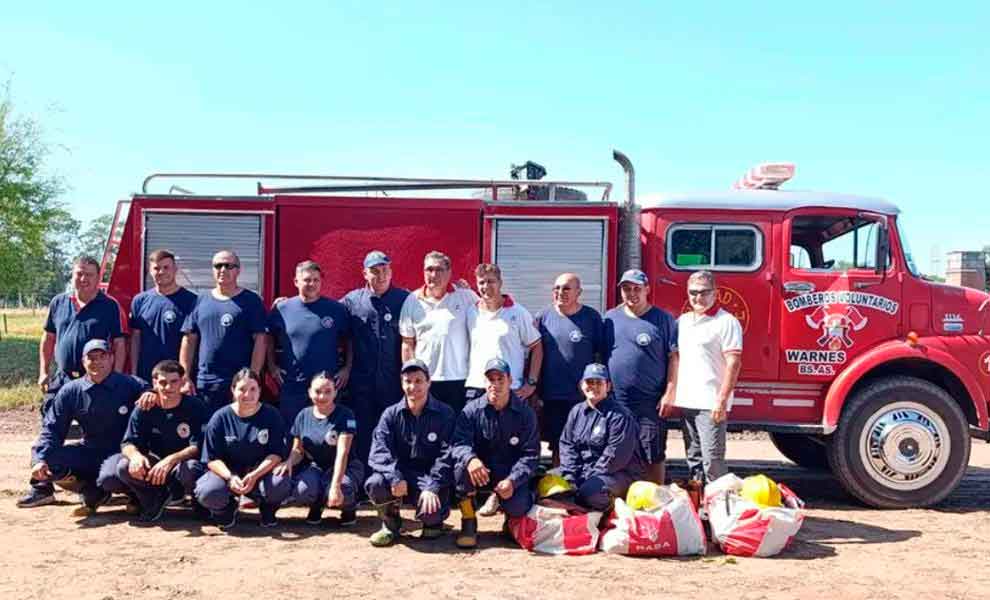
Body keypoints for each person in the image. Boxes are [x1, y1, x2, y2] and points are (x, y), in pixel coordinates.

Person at [20, 256, 129, 508]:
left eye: (89, 274)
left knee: (99, 434)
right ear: (73, 275)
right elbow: (48, 339)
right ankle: (42, 486)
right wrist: (43, 371)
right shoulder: (59, 302)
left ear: (98, 277)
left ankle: (95, 481)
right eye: (79, 273)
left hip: (97, 382)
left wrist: (117, 377)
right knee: (50, 430)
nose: (84, 278)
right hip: (63, 379)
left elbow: (120, 344)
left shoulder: (110, 306)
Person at [21, 340, 146, 513]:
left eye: (103, 356)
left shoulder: (131, 384)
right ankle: (92, 490)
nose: (97, 362)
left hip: (122, 452)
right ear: (83, 362)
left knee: (111, 475)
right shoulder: (71, 391)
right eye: (91, 358)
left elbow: (157, 394)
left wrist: (151, 395)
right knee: (50, 460)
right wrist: (39, 460)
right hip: (91, 450)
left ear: (112, 359)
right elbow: (52, 429)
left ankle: (136, 494)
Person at [98, 360, 209, 522]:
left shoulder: (195, 407)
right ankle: (153, 498)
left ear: (182, 382)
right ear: (154, 383)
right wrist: (136, 457)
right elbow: (128, 443)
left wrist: (171, 460)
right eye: (163, 383)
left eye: (174, 382)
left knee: (190, 469)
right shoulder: (144, 407)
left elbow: (198, 446)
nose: (169, 387)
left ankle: (197, 501)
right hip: (154, 465)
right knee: (123, 467)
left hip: (182, 464)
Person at [662, 270, 743, 485]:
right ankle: (700, 508)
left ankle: (719, 509)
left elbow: (734, 363)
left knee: (712, 462)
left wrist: (722, 400)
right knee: (694, 460)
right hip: (687, 401)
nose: (698, 298)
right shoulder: (683, 321)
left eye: (704, 292)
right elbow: (675, 359)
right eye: (693, 293)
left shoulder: (727, 322)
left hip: (711, 403)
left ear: (715, 293)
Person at [365, 359, 455, 547]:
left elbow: (448, 454)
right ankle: (390, 524)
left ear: (429, 382)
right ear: (401, 383)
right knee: (375, 483)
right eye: (408, 381)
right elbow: (379, 451)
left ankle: (434, 523)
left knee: (431, 515)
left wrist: (432, 486)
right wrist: (395, 476)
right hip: (400, 474)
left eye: (419, 381)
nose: (413, 386)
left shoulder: (445, 413)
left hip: (429, 476)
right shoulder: (390, 414)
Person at [450, 358, 539, 549]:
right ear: (484, 382)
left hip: (509, 474)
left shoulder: (525, 413)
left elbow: (530, 455)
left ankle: (510, 521)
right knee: (460, 467)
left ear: (510, 381)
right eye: (491, 380)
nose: (495, 385)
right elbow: (458, 443)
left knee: (519, 505)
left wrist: (513, 480)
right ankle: (468, 521)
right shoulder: (472, 410)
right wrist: (471, 459)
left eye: (501, 379)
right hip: (481, 472)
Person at [604, 269, 678, 485]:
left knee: (652, 453)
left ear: (647, 289)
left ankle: (655, 497)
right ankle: (624, 496)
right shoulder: (610, 318)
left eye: (637, 288)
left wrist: (670, 393)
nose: (631, 293)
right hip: (617, 400)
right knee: (618, 450)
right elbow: (601, 355)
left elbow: (674, 358)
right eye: (626, 289)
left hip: (651, 401)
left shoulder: (663, 319)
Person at [194, 369, 290, 530]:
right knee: (207, 491)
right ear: (233, 390)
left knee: (280, 483)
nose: (248, 394)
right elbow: (212, 458)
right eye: (242, 389)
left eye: (253, 389)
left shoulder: (272, 415)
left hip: (259, 472)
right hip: (228, 474)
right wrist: (230, 477)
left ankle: (268, 508)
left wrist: (254, 475)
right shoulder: (220, 417)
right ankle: (226, 508)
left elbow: (276, 454)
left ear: (260, 390)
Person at [342, 250, 410, 464]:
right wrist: (290, 303)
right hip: (362, 384)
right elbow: (324, 313)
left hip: (393, 384)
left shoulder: (405, 300)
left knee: (394, 432)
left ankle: (392, 480)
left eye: (385, 270)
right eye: (374, 271)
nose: (381, 276)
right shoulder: (352, 301)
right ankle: (364, 481)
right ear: (364, 274)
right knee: (363, 433)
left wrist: (459, 292)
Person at [180, 250, 268, 413]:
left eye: (229, 266)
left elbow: (261, 340)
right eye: (218, 265)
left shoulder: (251, 301)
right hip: (205, 383)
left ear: (238, 270)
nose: (223, 270)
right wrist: (184, 377)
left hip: (239, 385)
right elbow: (189, 339)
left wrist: (252, 379)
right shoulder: (200, 300)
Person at [267, 260, 353, 426]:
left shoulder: (336, 310)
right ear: (296, 282)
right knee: (292, 435)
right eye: (307, 280)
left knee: (328, 436)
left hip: (326, 387)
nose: (312, 284)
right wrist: (271, 366)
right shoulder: (281, 308)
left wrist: (346, 369)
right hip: (293, 385)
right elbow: (268, 338)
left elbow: (349, 340)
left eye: (316, 280)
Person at [276, 372, 364, 526]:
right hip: (316, 467)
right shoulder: (303, 415)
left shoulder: (345, 415)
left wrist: (335, 486)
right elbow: (298, 450)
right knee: (302, 491)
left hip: (346, 467)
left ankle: (349, 509)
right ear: (310, 392)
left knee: (343, 488)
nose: (322, 396)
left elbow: (342, 453)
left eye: (328, 391)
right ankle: (317, 506)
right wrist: (289, 461)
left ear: (335, 392)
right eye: (317, 391)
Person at [535, 272, 604, 464]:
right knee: (558, 444)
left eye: (566, 288)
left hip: (583, 397)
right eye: (556, 288)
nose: (560, 292)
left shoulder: (591, 318)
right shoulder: (543, 317)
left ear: (579, 292)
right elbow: (533, 354)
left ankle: (584, 486)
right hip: (552, 396)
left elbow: (601, 355)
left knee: (587, 443)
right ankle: (560, 487)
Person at [399, 251, 478, 414]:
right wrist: (411, 379)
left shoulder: (466, 297)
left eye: (439, 270)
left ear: (449, 273)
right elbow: (407, 344)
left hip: (460, 379)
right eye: (429, 269)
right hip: (426, 381)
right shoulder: (412, 300)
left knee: (457, 431)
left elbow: (489, 315)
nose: (433, 274)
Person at [557, 363, 644, 511]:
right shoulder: (576, 411)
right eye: (590, 382)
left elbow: (615, 456)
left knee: (590, 494)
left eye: (599, 382)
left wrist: (585, 479)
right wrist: (570, 475)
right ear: (581, 385)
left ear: (608, 386)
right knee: (549, 484)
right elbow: (567, 445)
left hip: (616, 474)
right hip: (582, 471)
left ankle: (611, 509)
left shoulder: (620, 415)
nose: (594, 387)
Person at [464, 263, 542, 401]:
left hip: (508, 388)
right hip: (477, 387)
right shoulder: (471, 312)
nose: (486, 286)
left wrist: (531, 383)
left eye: (491, 281)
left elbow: (537, 347)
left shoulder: (518, 313)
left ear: (500, 283)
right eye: (481, 282)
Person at [128, 249, 198, 382]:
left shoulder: (191, 301)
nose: (161, 272)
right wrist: (134, 372)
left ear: (175, 269)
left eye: (166, 267)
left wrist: (184, 376)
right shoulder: (139, 300)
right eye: (157, 268)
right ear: (150, 271)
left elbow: (191, 340)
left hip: (175, 378)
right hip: (146, 376)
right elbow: (135, 338)